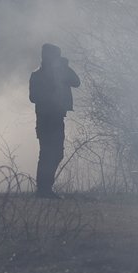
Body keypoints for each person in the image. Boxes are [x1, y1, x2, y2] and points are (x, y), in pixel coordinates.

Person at [28, 43, 80, 198]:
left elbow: (76, 82)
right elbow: (33, 97)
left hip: (57, 117)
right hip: (45, 117)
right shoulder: (37, 75)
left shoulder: (61, 73)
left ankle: (45, 188)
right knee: (46, 153)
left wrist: (65, 66)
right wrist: (50, 96)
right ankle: (43, 189)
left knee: (57, 153)